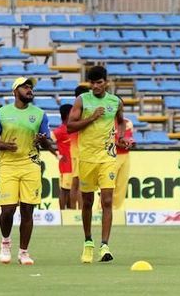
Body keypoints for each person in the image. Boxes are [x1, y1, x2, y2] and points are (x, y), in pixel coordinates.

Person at [0, 77, 56, 265]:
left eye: (30, 87)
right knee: (8, 210)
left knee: (28, 210)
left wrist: (41, 140)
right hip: (9, 166)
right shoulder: (2, 114)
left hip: (31, 165)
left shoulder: (40, 114)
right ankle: (5, 243)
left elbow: (46, 140)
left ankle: (23, 252)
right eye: (25, 87)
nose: (29, 89)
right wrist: (5, 145)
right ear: (15, 91)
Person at [67, 66, 129, 263]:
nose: (95, 86)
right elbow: (70, 126)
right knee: (87, 202)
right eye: (92, 83)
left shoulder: (115, 102)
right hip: (86, 158)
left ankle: (105, 246)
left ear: (106, 82)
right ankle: (87, 242)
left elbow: (120, 122)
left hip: (107, 158)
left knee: (107, 201)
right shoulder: (82, 100)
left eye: (99, 82)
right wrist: (92, 117)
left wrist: (119, 137)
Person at [69, 85, 90, 209]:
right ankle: (78, 210)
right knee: (78, 183)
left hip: (79, 149)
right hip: (78, 150)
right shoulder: (80, 110)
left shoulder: (76, 109)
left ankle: (75, 210)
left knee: (77, 182)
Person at [51, 104, 73, 210]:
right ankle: (62, 213)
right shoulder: (60, 130)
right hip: (66, 165)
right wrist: (57, 155)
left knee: (72, 190)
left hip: (76, 164)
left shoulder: (73, 128)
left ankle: (69, 213)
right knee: (65, 190)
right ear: (68, 115)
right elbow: (46, 140)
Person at [112, 116, 135, 210]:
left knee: (122, 184)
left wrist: (132, 144)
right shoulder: (107, 122)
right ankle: (102, 209)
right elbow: (108, 140)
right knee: (108, 185)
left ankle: (117, 209)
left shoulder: (128, 122)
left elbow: (130, 138)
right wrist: (120, 144)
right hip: (112, 155)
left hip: (125, 156)